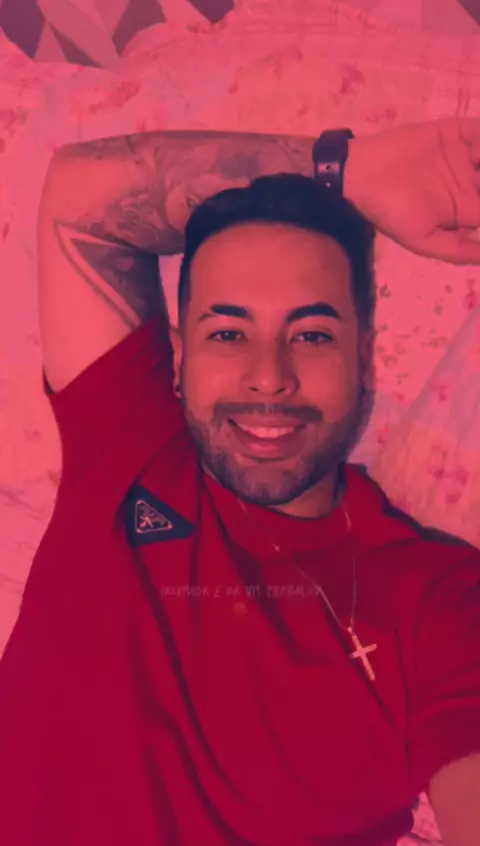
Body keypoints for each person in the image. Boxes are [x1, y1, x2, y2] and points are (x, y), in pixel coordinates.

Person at [0, 119, 480, 846]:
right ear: (179, 357)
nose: (269, 377)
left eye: (312, 335)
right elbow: (81, 196)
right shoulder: (129, 444)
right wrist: (347, 173)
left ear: (364, 359)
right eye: (228, 333)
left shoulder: (435, 599)